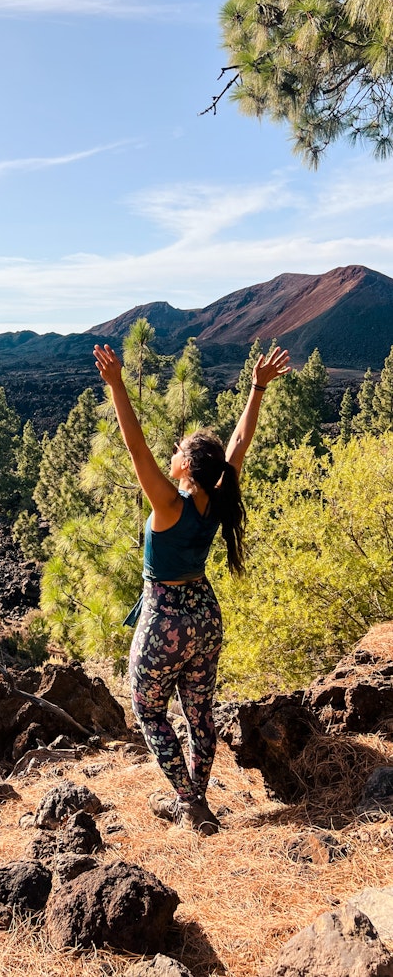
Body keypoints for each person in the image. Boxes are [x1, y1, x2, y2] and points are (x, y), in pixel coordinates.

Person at [93, 341, 290, 835]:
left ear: (187, 468)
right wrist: (257, 387)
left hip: (165, 620)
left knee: (147, 708)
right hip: (205, 614)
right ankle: (196, 795)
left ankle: (189, 803)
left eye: (179, 452)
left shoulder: (168, 504)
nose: (173, 453)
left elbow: (135, 446)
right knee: (198, 712)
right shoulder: (217, 500)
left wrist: (117, 385)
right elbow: (240, 444)